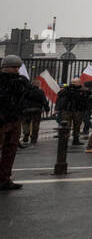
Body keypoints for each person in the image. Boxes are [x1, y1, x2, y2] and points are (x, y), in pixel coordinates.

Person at [1, 55, 45, 190]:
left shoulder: (21, 81)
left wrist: (26, 85)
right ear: (5, 67)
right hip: (3, 119)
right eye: (14, 67)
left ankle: (4, 178)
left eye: (18, 67)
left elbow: (34, 95)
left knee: (11, 149)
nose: (16, 70)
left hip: (14, 118)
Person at [54, 77, 92, 147]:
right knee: (66, 126)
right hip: (67, 110)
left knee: (77, 126)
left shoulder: (83, 90)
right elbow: (59, 97)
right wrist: (57, 109)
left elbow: (89, 97)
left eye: (74, 82)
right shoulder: (67, 90)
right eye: (72, 82)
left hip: (78, 110)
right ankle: (64, 140)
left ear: (79, 83)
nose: (72, 84)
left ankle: (76, 140)